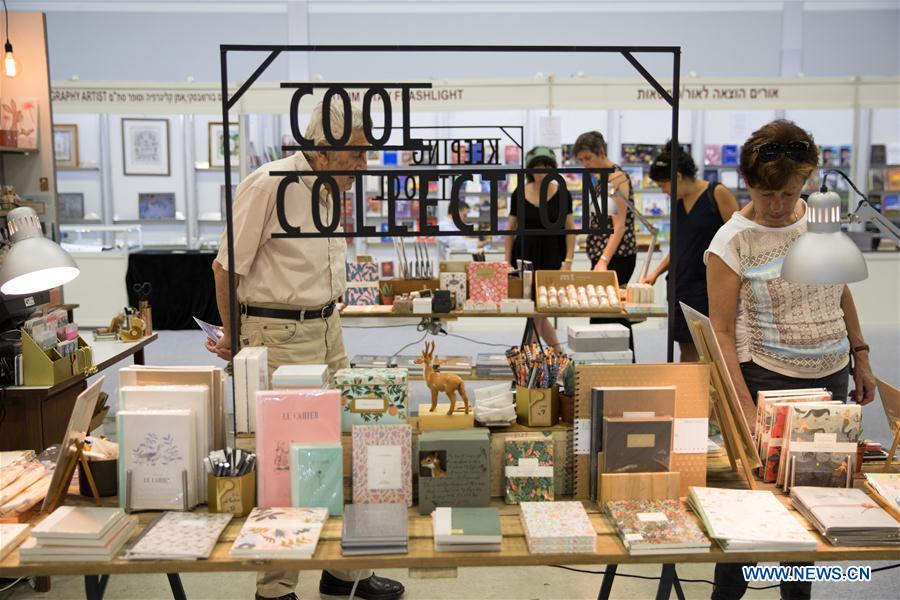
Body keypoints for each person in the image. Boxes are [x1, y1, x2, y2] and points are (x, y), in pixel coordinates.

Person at [207, 101, 405, 600]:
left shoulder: (328, 188)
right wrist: (234, 343)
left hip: (327, 326)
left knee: (349, 445)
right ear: (322, 149)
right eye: (355, 155)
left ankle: (345, 573)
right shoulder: (270, 183)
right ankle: (275, 587)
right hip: (278, 335)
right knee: (287, 462)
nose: (364, 166)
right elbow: (225, 268)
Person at [705, 119, 876, 600]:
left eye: (789, 192)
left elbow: (839, 289)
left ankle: (796, 593)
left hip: (831, 377)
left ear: (808, 179)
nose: (778, 207)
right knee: (753, 511)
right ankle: (730, 593)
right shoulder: (732, 241)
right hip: (765, 379)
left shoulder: (818, 221)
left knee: (815, 503)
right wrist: (740, 403)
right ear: (748, 184)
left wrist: (860, 354)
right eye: (766, 195)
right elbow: (719, 330)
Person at [642, 143, 739, 362]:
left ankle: (711, 395)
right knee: (686, 348)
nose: (663, 192)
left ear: (677, 176)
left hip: (706, 287)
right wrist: (655, 274)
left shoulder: (717, 193)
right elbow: (679, 247)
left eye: (663, 185)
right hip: (679, 285)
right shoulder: (677, 202)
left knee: (710, 349)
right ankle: (688, 392)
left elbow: (740, 239)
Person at [505, 146, 575, 349]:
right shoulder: (519, 193)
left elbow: (570, 229)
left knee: (541, 308)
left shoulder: (562, 194)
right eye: (536, 167)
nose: (541, 171)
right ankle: (555, 356)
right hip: (525, 256)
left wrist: (568, 261)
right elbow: (510, 229)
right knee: (535, 310)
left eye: (546, 166)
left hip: (552, 255)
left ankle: (530, 358)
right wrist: (506, 261)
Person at [574, 131, 637, 352]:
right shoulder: (602, 177)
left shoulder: (616, 178)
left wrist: (603, 260)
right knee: (603, 316)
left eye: (588, 158)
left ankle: (622, 371)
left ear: (601, 152)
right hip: (606, 257)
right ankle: (606, 370)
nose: (584, 164)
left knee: (611, 319)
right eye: (581, 160)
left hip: (615, 258)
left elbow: (618, 226)